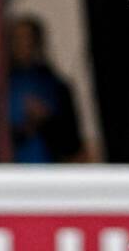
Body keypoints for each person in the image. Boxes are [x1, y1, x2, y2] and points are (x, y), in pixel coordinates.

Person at [7, 16, 83, 163]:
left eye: (26, 38)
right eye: (15, 39)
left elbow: (72, 144)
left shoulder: (56, 87)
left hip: (48, 172)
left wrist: (47, 119)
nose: (21, 45)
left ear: (37, 43)